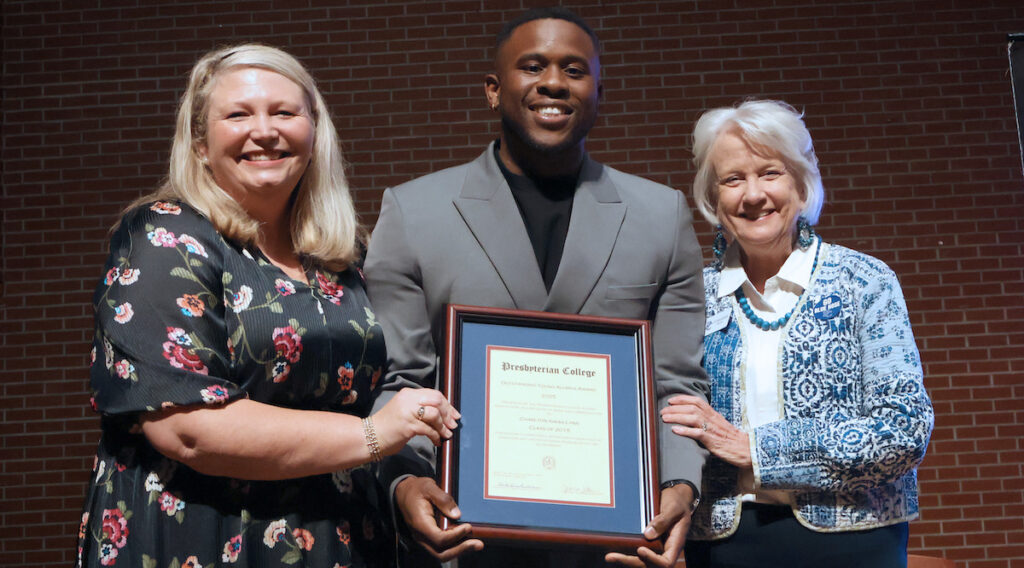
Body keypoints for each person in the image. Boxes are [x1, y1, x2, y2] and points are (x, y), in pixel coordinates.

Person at [76, 44, 459, 568]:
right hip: (204, 535)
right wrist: (373, 435)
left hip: (341, 538)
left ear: (314, 133)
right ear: (200, 143)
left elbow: (375, 396)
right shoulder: (165, 237)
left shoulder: (344, 256)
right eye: (238, 115)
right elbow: (187, 429)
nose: (264, 131)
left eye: (284, 113)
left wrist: (405, 483)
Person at [363, 7, 708, 568]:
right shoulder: (413, 213)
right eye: (532, 66)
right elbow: (401, 379)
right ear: (494, 90)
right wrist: (405, 482)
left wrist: (679, 486)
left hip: (616, 542)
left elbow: (675, 386)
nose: (553, 82)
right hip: (466, 536)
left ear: (598, 92)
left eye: (574, 70)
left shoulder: (660, 216)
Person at [662, 99, 934, 568]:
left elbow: (905, 429)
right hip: (724, 547)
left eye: (770, 173)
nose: (753, 194)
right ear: (713, 198)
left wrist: (758, 450)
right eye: (733, 179)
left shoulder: (864, 282)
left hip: (855, 542)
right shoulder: (692, 297)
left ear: (802, 185)